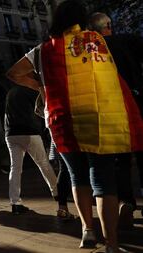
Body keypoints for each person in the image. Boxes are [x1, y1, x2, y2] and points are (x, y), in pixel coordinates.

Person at [6, 1, 143, 252]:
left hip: (61, 121)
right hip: (97, 119)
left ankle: (87, 232)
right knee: (102, 181)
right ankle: (112, 243)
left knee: (77, 177)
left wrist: (40, 86)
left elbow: (14, 73)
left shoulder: (42, 50)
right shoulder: (96, 41)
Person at [89, 12, 143, 227]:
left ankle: (126, 201)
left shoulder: (90, 50)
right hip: (136, 104)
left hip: (109, 110)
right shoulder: (126, 41)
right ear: (109, 25)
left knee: (121, 161)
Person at [4, 85, 58, 215]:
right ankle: (57, 192)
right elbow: (40, 110)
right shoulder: (31, 90)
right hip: (29, 132)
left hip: (10, 133)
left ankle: (15, 203)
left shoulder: (10, 92)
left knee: (15, 168)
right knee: (43, 163)